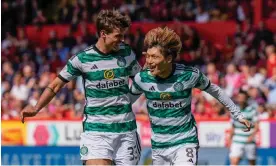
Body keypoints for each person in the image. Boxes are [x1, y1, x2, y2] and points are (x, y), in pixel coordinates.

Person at [21, 10, 142, 165]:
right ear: (103, 34)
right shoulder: (82, 59)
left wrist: (128, 100)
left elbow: (140, 82)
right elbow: (56, 85)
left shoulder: (127, 53)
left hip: (126, 131)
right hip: (96, 132)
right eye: (118, 36)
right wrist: (36, 108)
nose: (122, 40)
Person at [130, 27, 251, 165]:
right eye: (148, 56)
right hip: (159, 146)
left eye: (155, 57)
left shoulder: (189, 75)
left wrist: (237, 114)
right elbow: (125, 102)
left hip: (185, 141)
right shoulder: (142, 79)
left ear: (169, 58)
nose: (149, 61)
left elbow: (216, 91)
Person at [228, 90, 259, 165]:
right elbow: (232, 126)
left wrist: (251, 136)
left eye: (243, 97)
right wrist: (229, 139)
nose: (241, 99)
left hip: (249, 140)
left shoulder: (252, 110)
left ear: (246, 99)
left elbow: (256, 125)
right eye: (239, 97)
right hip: (237, 139)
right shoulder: (234, 110)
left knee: (252, 162)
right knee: (234, 161)